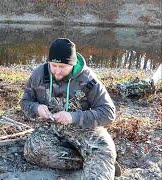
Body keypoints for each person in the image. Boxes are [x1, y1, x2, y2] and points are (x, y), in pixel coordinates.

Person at [21, 38, 119, 179]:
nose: (57, 72)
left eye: (62, 67)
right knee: (33, 151)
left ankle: (100, 161)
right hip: (52, 128)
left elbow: (108, 113)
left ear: (72, 64)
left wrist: (74, 117)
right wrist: (36, 108)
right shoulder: (39, 75)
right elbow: (25, 102)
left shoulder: (88, 79)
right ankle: (85, 161)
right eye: (54, 65)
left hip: (84, 129)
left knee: (104, 151)